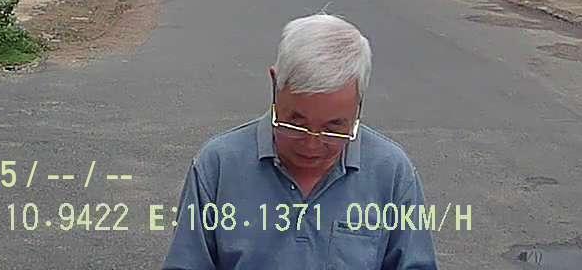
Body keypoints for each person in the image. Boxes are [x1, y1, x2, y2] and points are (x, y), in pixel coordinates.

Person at [163, 14, 437, 269]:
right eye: (296, 123)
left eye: (333, 127)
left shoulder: (391, 173)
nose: (311, 145)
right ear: (275, 84)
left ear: (359, 102)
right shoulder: (219, 166)